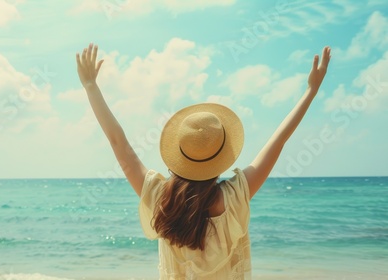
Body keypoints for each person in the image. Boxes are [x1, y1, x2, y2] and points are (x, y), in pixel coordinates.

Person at [76, 43, 331, 279]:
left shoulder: (160, 199)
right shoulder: (234, 197)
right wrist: (311, 91)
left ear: (179, 153)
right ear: (219, 158)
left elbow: (118, 143)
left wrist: (90, 86)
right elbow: (278, 141)